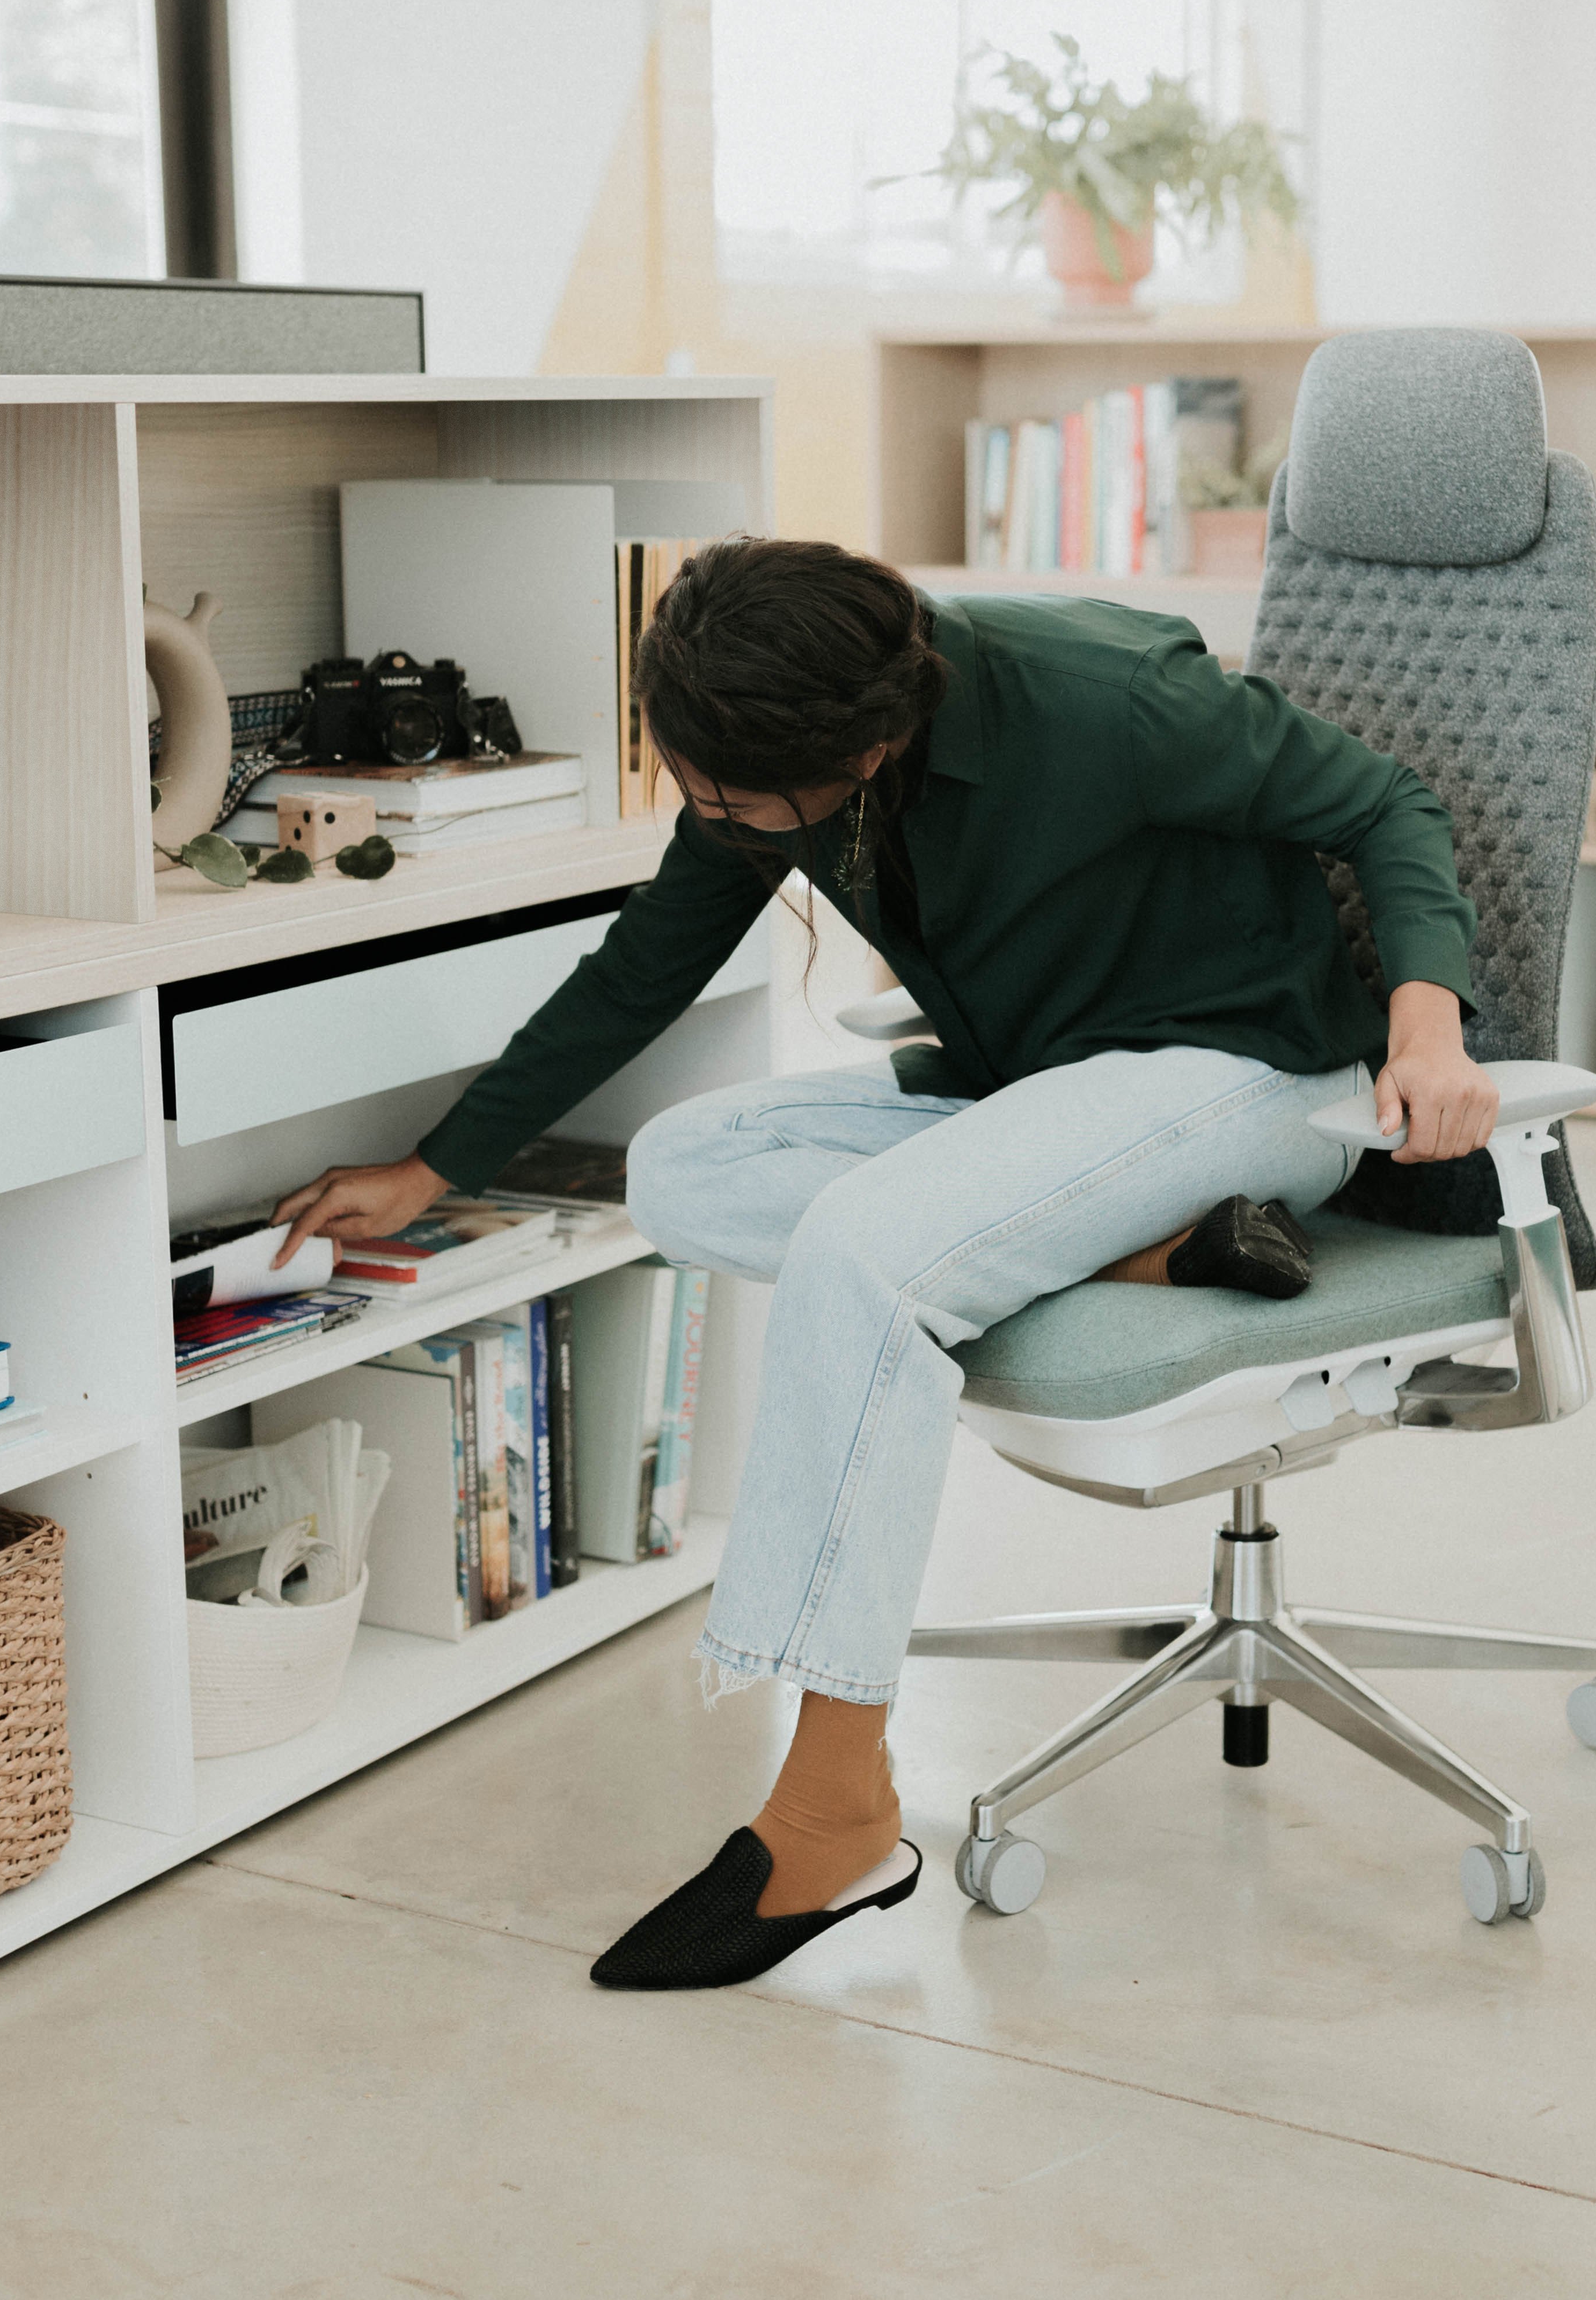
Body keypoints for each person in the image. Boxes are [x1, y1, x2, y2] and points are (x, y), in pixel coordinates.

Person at [270, 538, 1496, 1989]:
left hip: (1243, 1084)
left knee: (869, 1251)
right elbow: (643, 966)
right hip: (1034, 1099)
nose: (711, 820)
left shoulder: (1108, 705)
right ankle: (1157, 1257)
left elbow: (1383, 803)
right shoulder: (761, 736)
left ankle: (834, 1799)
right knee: (677, 1169)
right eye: (693, 789)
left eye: (732, 805)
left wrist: (1427, 1025)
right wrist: (437, 1164)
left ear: (870, 743)